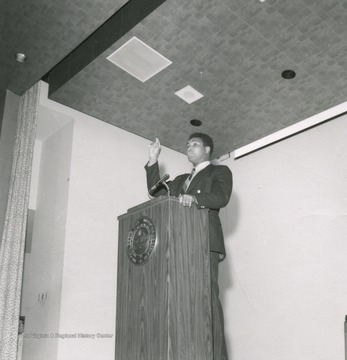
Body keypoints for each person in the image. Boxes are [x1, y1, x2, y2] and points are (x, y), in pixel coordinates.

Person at [145, 132, 233, 360]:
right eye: (187, 145)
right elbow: (156, 193)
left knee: (207, 303)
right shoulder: (179, 180)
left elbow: (222, 197)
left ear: (207, 150)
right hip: (178, 244)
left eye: (194, 144)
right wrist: (153, 160)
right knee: (181, 301)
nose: (189, 148)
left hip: (204, 243)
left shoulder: (219, 171)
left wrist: (195, 199)